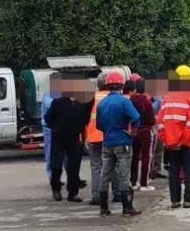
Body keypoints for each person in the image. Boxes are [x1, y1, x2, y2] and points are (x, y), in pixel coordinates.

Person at [95, 71, 141, 216]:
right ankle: (127, 207)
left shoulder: (102, 104)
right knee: (123, 174)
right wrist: (133, 131)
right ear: (121, 85)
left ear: (107, 85)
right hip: (122, 142)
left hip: (107, 142)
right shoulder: (124, 101)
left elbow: (99, 125)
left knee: (105, 174)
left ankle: (103, 208)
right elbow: (136, 117)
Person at [43, 73, 93, 202]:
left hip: (75, 137)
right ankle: (56, 189)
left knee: (74, 166)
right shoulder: (58, 102)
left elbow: (86, 119)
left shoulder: (84, 104)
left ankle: (73, 192)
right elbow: (48, 117)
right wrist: (55, 127)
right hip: (58, 136)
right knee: (56, 165)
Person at [157, 65, 190, 209]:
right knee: (189, 170)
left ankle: (175, 200)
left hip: (171, 143)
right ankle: (189, 200)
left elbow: (161, 122)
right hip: (187, 143)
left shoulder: (166, 98)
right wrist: (182, 141)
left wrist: (168, 141)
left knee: (173, 170)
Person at [85, 73, 111, 206]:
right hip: (109, 136)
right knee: (114, 165)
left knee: (96, 167)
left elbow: (85, 119)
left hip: (93, 136)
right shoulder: (113, 97)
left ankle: (97, 196)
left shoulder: (91, 98)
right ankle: (117, 193)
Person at [129, 79, 156, 191]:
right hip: (145, 131)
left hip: (134, 131)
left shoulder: (131, 100)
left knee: (134, 157)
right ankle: (144, 183)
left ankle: (133, 182)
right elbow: (152, 120)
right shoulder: (147, 102)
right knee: (146, 157)